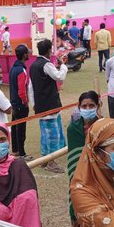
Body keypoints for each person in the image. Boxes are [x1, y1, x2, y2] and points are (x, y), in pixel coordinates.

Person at [66, 91, 101, 227]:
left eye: (91, 105)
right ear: (79, 108)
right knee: (82, 206)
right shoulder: (73, 129)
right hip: (81, 178)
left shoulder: (105, 126)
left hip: (101, 179)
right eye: (84, 106)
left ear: (98, 106)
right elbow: (74, 162)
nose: (88, 108)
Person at [29, 38, 68, 174]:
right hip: (49, 104)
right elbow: (58, 77)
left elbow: (30, 87)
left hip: (41, 105)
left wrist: (33, 103)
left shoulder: (33, 65)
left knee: (45, 133)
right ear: (48, 50)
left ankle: (45, 159)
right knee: (53, 134)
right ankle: (51, 161)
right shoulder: (46, 64)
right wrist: (63, 66)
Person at [9, 44, 32, 160]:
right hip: (20, 104)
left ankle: (16, 150)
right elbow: (22, 90)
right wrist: (25, 102)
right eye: (28, 53)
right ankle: (22, 153)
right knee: (21, 129)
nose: (29, 54)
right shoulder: (21, 70)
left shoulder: (13, 68)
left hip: (14, 103)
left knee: (14, 128)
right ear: (24, 55)